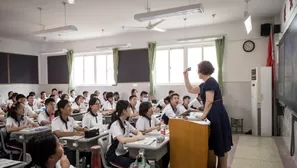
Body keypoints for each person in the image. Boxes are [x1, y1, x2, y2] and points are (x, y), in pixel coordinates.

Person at [183, 61, 232, 168]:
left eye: (198, 70)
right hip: (213, 113)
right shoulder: (204, 84)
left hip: (216, 114)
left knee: (220, 146)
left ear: (202, 71)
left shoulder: (210, 82)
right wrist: (186, 77)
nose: (197, 72)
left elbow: (209, 101)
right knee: (216, 145)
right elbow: (190, 89)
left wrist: (203, 116)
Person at [106, 100, 144, 167]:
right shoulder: (115, 125)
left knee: (142, 160)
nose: (130, 110)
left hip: (124, 153)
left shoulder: (126, 123)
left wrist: (139, 135)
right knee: (134, 165)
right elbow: (122, 140)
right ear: (124, 111)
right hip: (114, 156)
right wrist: (137, 137)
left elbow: (137, 132)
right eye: (129, 108)